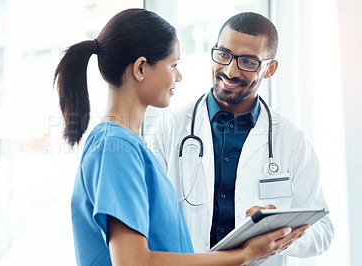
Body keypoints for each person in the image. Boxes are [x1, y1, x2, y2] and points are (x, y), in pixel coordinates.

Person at [54, 8, 308, 266]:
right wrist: (246, 254)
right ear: (141, 68)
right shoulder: (116, 147)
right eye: (173, 65)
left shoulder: (128, 145)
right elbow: (133, 262)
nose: (179, 76)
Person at [146, 11, 334, 265]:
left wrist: (279, 227)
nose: (230, 70)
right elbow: (146, 223)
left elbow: (323, 231)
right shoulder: (168, 130)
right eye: (223, 55)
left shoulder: (292, 140)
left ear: (270, 69)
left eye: (247, 62)